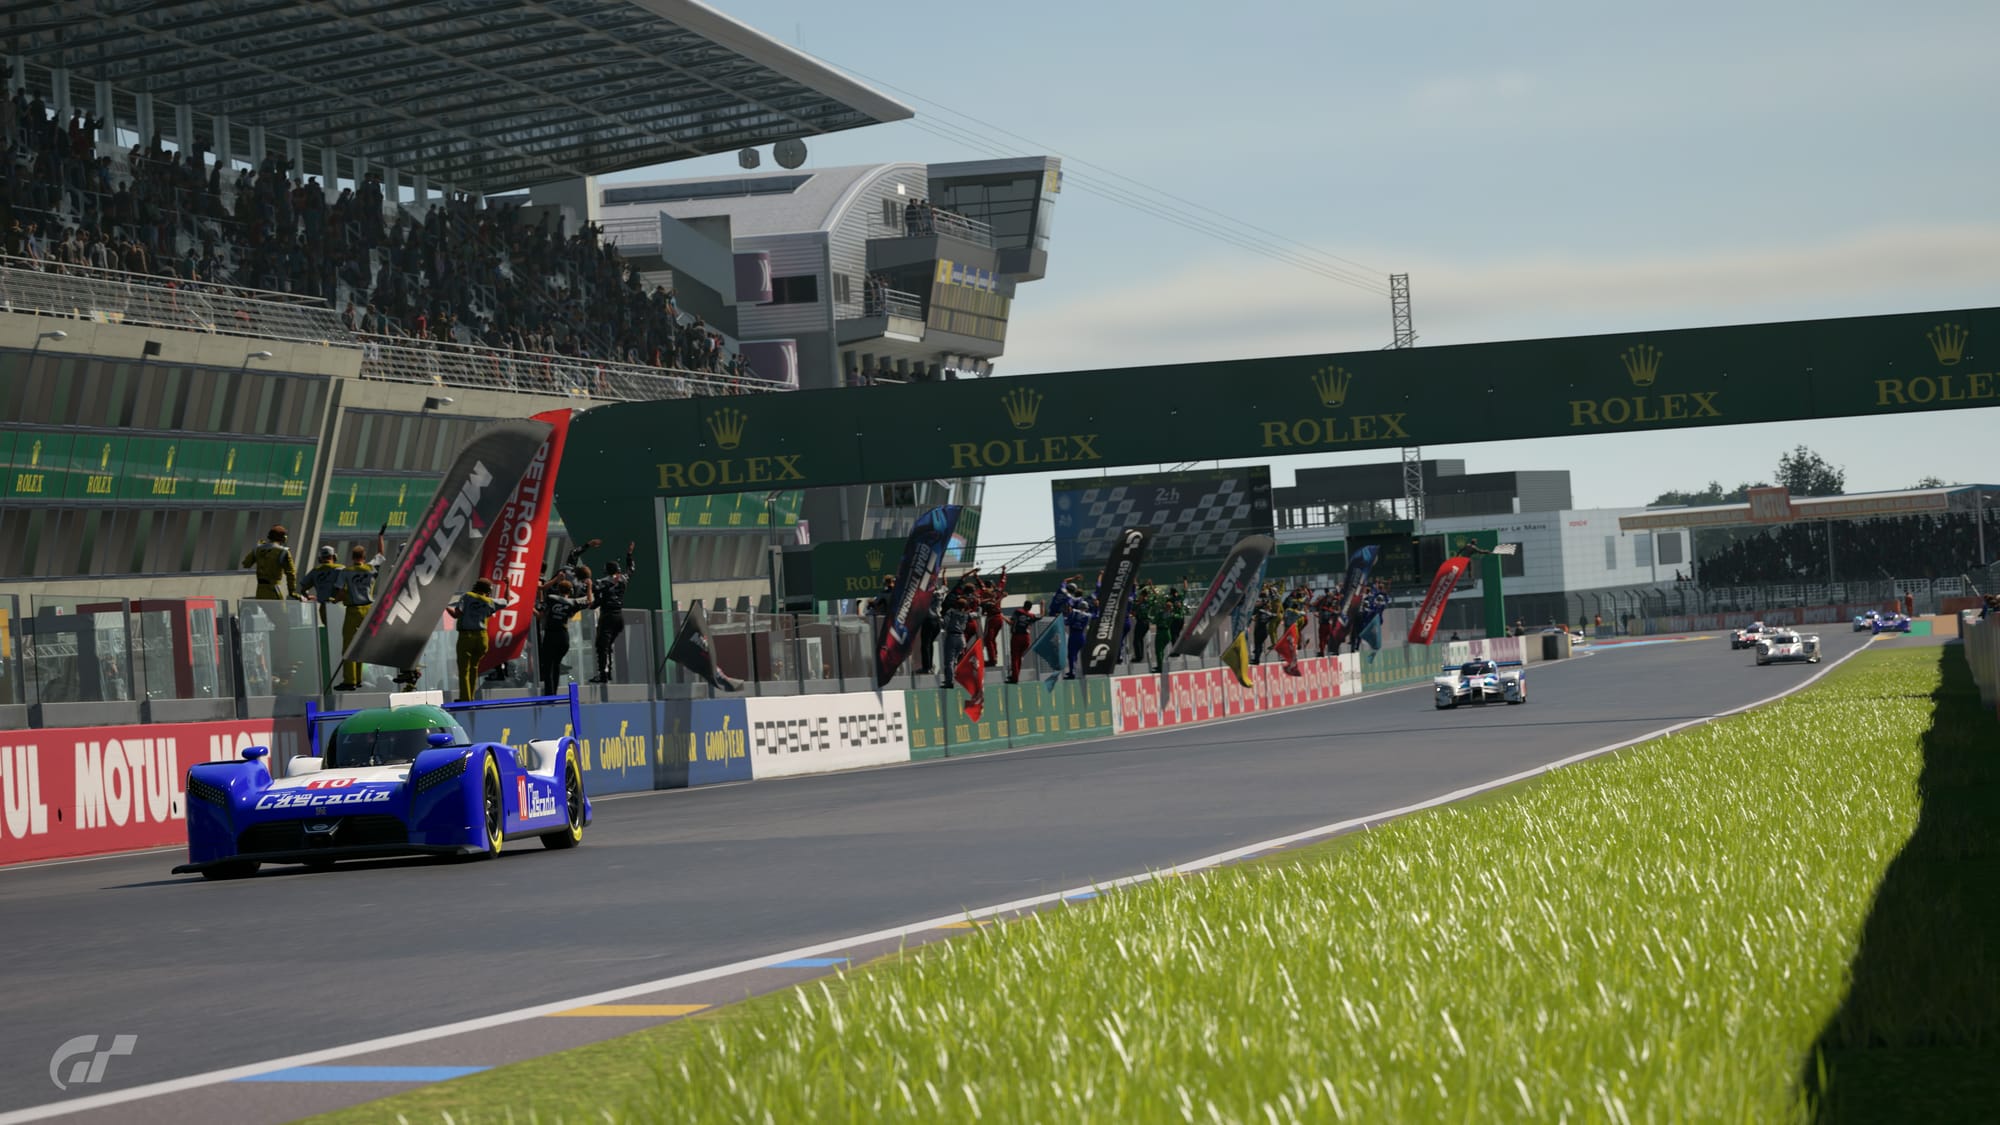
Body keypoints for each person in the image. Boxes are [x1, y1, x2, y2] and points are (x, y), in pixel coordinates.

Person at [332, 533, 385, 691]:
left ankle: (350, 681)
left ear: (352, 556)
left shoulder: (346, 571)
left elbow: (341, 592)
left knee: (348, 646)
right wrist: (380, 537)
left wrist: (334, 601)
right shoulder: (371, 568)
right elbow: (381, 554)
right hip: (368, 610)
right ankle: (359, 679)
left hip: (353, 610)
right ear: (364, 557)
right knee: (361, 645)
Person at [445, 579, 502, 700]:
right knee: (474, 668)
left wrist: (444, 606)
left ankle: (466, 699)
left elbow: (456, 614)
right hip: (482, 639)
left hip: (467, 637)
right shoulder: (489, 602)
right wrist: (508, 585)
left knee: (464, 670)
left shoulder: (467, 596)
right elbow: (506, 601)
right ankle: (471, 698)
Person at [588, 542, 636, 683]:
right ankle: (608, 672)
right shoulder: (623, 580)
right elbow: (631, 568)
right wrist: (629, 554)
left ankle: (603, 674)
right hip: (619, 617)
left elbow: (597, 599)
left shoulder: (601, 582)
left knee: (601, 645)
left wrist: (591, 603)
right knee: (608, 645)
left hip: (607, 616)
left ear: (607, 570)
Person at [536, 573, 591, 696]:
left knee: (547, 665)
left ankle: (549, 694)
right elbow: (589, 601)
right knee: (556, 665)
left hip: (550, 635)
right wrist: (589, 586)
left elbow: (540, 613)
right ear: (570, 591)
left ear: (558, 589)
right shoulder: (573, 602)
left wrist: (531, 609)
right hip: (563, 637)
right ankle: (554, 694)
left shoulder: (551, 598)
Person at [242, 525, 298, 601]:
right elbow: (291, 573)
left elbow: (246, 564)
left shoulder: (258, 549)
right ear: (284, 538)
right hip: (274, 590)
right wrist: (292, 592)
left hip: (260, 591)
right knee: (279, 609)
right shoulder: (283, 552)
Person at [299, 546, 346, 624]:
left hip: (324, 608)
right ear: (334, 556)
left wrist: (308, 596)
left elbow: (303, 589)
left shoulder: (315, 571)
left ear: (320, 558)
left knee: (329, 630)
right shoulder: (341, 569)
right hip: (339, 606)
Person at [939, 590, 972, 688]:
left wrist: (939, 619)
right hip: (962, 638)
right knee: (956, 660)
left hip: (952, 637)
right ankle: (954, 678)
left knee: (949, 660)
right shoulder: (966, 615)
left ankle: (949, 681)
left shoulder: (951, 612)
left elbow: (945, 623)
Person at [1006, 600, 1037, 684]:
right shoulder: (1031, 615)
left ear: (1024, 605)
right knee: (1019, 658)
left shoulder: (1018, 612)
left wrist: (1002, 617)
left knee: (1015, 658)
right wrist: (1042, 605)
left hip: (1017, 637)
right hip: (1026, 638)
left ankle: (1014, 678)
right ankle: (1015, 675)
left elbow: (1011, 622)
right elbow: (1040, 616)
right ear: (1030, 608)